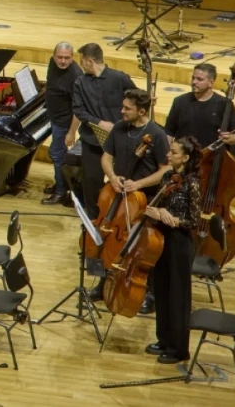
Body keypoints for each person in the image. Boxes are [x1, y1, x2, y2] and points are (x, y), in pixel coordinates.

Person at [95, 88, 171, 312]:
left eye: (127, 109)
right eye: (122, 106)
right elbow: (106, 157)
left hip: (142, 200)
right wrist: (112, 176)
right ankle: (103, 281)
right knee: (110, 240)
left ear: (141, 111)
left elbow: (165, 171)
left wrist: (138, 184)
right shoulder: (119, 127)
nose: (122, 111)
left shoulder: (156, 134)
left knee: (140, 248)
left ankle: (148, 292)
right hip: (118, 195)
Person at [144, 137, 203, 365]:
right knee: (162, 290)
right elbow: (159, 204)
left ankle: (179, 349)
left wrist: (173, 220)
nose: (168, 155)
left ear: (185, 158)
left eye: (173, 152)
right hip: (160, 239)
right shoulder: (169, 177)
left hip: (180, 243)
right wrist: (158, 211)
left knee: (178, 295)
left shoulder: (192, 183)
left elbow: (194, 220)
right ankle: (164, 339)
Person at [72, 43, 136, 219]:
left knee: (123, 180)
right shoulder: (80, 82)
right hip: (92, 142)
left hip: (119, 142)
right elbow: (78, 110)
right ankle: (94, 220)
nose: (81, 65)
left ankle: (119, 218)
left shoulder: (119, 78)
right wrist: (99, 122)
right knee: (91, 183)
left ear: (89, 61)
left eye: (82, 61)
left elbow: (136, 100)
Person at [164, 62, 235, 150]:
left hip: (211, 158)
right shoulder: (179, 101)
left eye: (199, 79)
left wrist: (232, 139)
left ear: (210, 83)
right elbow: (169, 131)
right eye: (193, 78)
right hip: (184, 158)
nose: (194, 82)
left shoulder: (224, 104)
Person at [41, 42, 81, 205]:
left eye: (67, 58)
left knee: (57, 154)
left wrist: (71, 132)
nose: (63, 61)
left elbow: (79, 108)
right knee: (56, 153)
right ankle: (60, 183)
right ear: (53, 56)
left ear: (72, 57)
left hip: (64, 121)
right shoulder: (53, 63)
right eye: (60, 57)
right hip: (53, 115)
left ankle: (61, 192)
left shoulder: (75, 76)